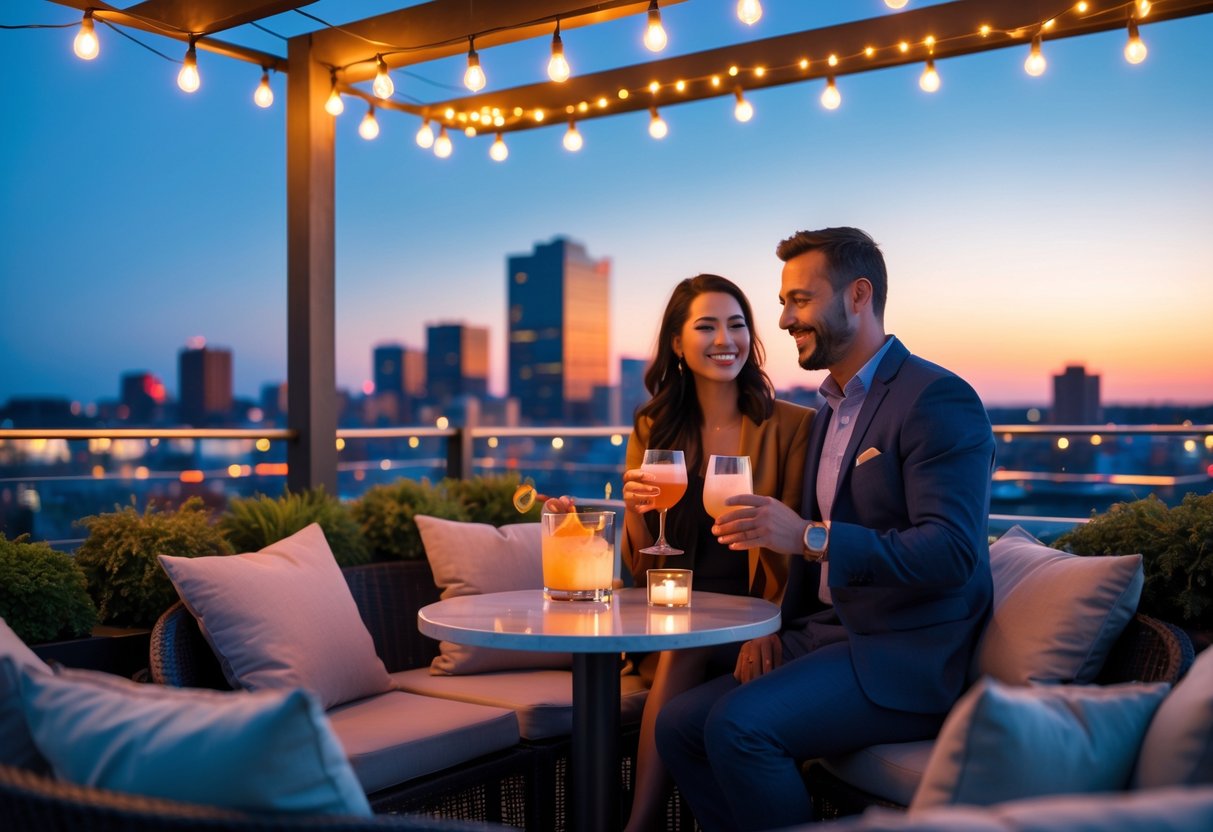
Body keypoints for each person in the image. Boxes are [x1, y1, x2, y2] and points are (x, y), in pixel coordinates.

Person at [654, 228, 996, 831]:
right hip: (824, 637)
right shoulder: (829, 408)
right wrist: (773, 627)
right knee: (678, 725)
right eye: (783, 302)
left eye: (799, 300)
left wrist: (812, 536)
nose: (783, 319)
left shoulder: (936, 398)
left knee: (739, 727)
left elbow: (952, 551)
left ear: (858, 295)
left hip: (902, 657)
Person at [550, 274, 813, 832]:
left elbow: (790, 550)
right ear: (677, 342)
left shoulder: (790, 425)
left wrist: (769, 626)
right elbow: (644, 563)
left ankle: (636, 824)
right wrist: (639, 512)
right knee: (678, 642)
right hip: (672, 614)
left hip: (753, 625)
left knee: (683, 649)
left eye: (737, 324)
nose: (726, 339)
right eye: (707, 326)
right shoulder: (654, 425)